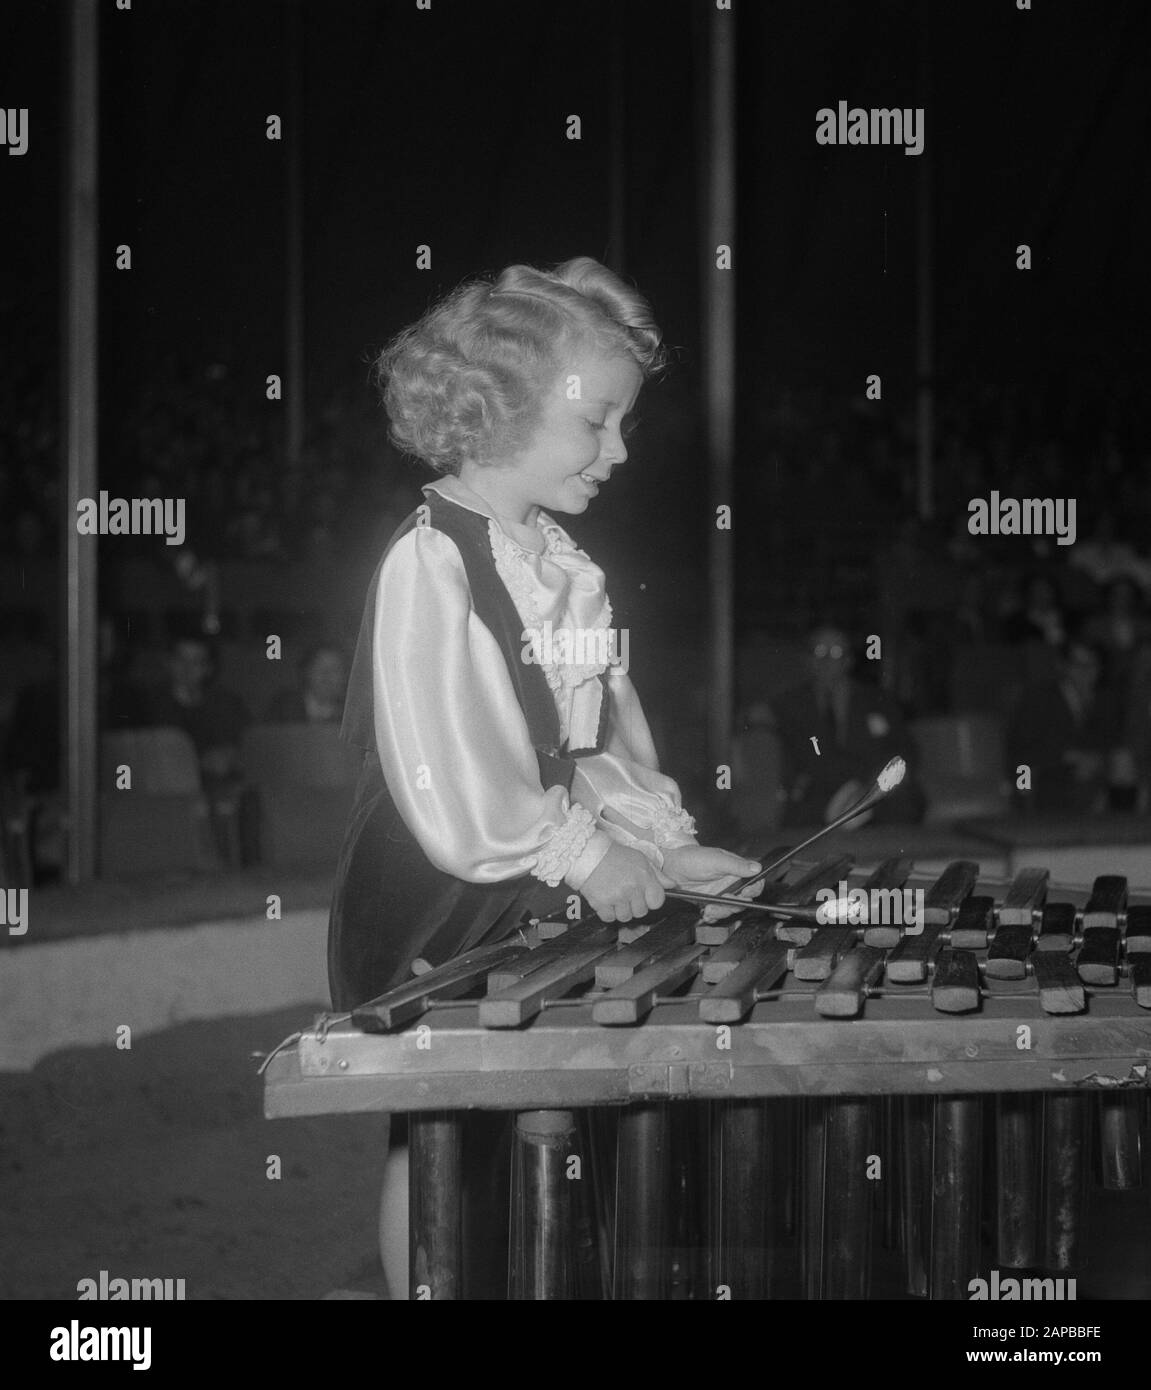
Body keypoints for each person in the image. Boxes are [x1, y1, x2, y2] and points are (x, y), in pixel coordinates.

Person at [328, 256, 759, 1297]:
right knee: (433, 1129)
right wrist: (577, 850)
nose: (617, 451)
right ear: (497, 408)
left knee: (550, 1106)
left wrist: (659, 840)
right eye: (596, 423)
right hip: (437, 893)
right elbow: (453, 772)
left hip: (533, 876)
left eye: (624, 426)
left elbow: (590, 744)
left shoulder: (562, 565)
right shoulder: (430, 560)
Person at [767, 624, 926, 827]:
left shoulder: (877, 699)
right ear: (807, 660)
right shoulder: (790, 705)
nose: (825, 660)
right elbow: (800, 756)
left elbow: (904, 750)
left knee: (903, 803)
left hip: (872, 787)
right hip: (821, 792)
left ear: (848, 661)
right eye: (819, 651)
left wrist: (864, 785)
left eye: (835, 652)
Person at [1005, 637, 1111, 816]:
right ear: (1063, 667)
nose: (1085, 672)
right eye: (1078, 665)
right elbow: (1020, 753)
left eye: (1092, 665)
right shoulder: (1038, 698)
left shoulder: (1105, 701)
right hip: (1041, 775)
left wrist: (1097, 759)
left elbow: (1110, 742)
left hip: (1092, 778)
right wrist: (1067, 756)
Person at [263, 642, 348, 724]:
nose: (326, 676)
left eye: (334, 670)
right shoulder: (283, 707)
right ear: (306, 672)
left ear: (344, 676)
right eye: (318, 668)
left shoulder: (351, 712)